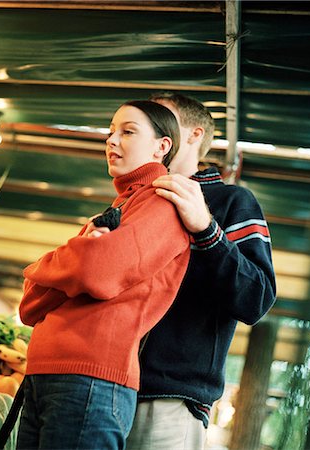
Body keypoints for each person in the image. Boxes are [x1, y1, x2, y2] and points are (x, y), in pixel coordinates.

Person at [16, 100, 192, 450]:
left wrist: (49, 266)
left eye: (128, 131)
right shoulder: (115, 209)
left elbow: (97, 271)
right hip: (47, 372)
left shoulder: (165, 202)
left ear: (162, 146)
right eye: (110, 132)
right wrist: (75, 261)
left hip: (90, 378)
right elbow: (29, 304)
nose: (111, 140)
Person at [124, 93, 277, 450]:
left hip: (168, 398)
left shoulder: (233, 203)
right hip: (102, 387)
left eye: (162, 118)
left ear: (193, 135)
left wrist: (207, 231)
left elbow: (257, 299)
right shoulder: (132, 203)